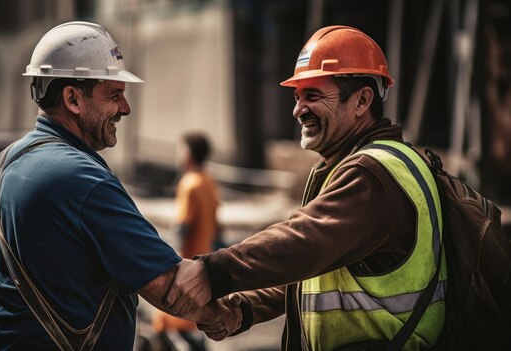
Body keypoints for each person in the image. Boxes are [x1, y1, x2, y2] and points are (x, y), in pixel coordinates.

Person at [0, 21, 239, 350]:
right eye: (114, 95)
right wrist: (229, 315)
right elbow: (168, 286)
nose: (125, 108)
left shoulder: (7, 161)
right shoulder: (79, 178)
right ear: (73, 99)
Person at [165, 25, 447, 350]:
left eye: (313, 96)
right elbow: (317, 267)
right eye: (297, 97)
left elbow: (303, 241)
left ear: (362, 101)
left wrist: (212, 272)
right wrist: (244, 309)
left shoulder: (372, 172)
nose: (298, 110)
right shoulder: (364, 164)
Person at [151, 132, 220, 351]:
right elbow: (217, 226)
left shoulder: (189, 185)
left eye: (180, 150)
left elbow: (182, 227)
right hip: (203, 265)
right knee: (188, 326)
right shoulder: (208, 182)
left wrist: (171, 266)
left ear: (188, 154)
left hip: (186, 268)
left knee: (170, 324)